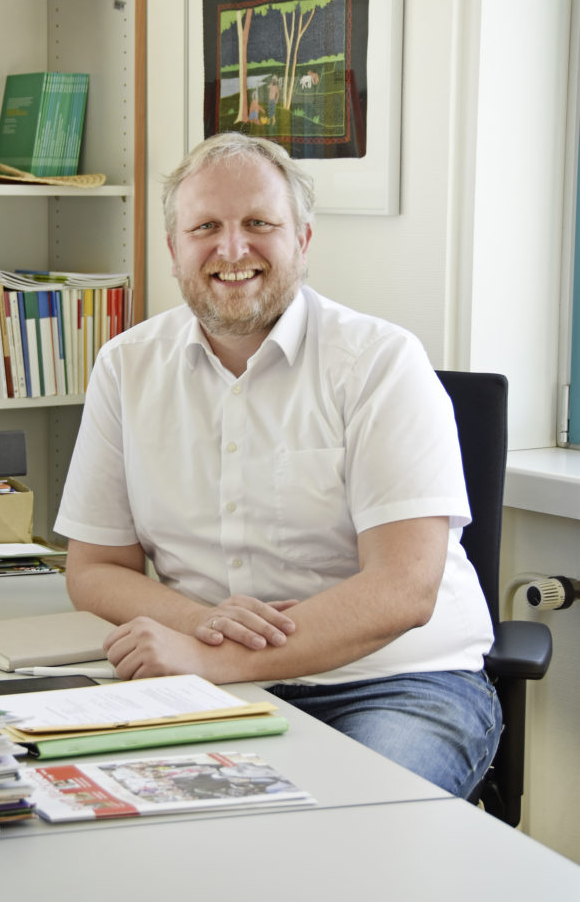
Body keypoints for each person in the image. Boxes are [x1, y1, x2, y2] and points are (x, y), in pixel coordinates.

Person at [55, 132, 502, 798]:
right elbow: (94, 569)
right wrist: (196, 625)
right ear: (173, 248)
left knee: (355, 824)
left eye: (259, 224)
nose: (232, 249)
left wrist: (215, 657)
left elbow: (403, 590)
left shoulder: (380, 363)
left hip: (395, 684)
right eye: (205, 227)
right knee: (111, 815)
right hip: (206, 682)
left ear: (303, 240)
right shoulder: (127, 367)